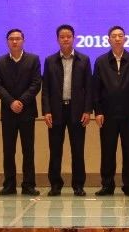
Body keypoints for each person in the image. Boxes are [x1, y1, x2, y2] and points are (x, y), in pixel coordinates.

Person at [92, 25, 129, 196]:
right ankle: (107, 185)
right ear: (108, 39)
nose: (117, 38)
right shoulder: (100, 61)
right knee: (108, 151)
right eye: (114, 36)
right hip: (107, 115)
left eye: (120, 36)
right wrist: (98, 112)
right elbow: (96, 89)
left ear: (125, 39)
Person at [41, 24, 92, 196]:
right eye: (62, 37)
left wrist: (87, 110)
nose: (65, 39)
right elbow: (46, 89)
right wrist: (46, 111)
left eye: (68, 36)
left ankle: (78, 185)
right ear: (57, 39)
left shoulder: (84, 60)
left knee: (78, 150)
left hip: (77, 111)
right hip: (56, 111)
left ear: (73, 38)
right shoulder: (50, 61)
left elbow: (89, 88)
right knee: (55, 150)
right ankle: (55, 185)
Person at [0, 28, 42, 196]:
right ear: (7, 42)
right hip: (8, 112)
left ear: (23, 41)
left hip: (27, 112)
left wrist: (21, 101)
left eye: (18, 38)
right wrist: (11, 102)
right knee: (8, 150)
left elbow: (36, 83)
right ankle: (9, 185)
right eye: (11, 39)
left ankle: (29, 185)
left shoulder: (33, 60)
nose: (15, 41)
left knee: (28, 150)